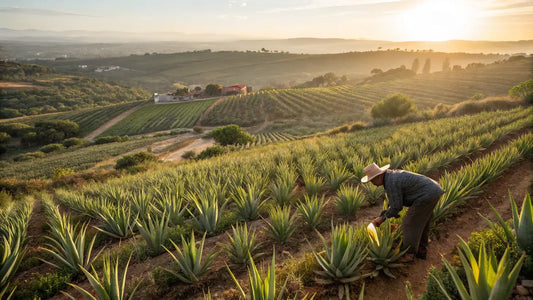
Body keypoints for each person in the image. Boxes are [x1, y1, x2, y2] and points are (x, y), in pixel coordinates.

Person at [361, 163, 444, 263]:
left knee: (409, 224)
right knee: (422, 222)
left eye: (372, 180)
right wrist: (384, 215)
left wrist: (381, 219)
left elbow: (396, 207)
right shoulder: (390, 178)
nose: (372, 183)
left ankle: (409, 254)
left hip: (426, 195)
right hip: (433, 190)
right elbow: (393, 203)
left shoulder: (391, 182)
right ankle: (421, 250)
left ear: (379, 176)